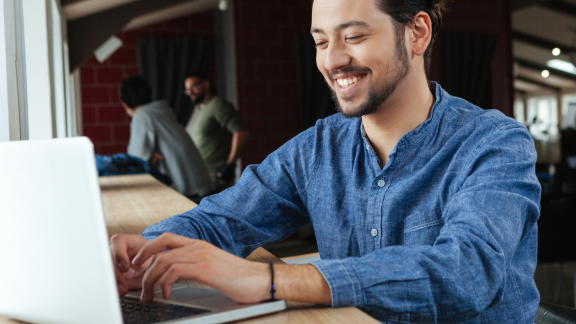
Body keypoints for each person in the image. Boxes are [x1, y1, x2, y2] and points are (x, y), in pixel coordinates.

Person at [111, 0, 541, 322]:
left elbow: (466, 272)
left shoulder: (494, 144)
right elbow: (222, 220)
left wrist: (270, 281)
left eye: (353, 37)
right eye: (320, 41)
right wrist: (145, 254)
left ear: (417, 33)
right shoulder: (318, 148)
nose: (332, 59)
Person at [121, 76, 213, 201]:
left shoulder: (142, 115)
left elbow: (135, 162)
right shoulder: (161, 111)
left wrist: (146, 159)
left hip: (188, 195)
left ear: (125, 105)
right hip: (201, 187)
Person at [183, 72, 249, 189]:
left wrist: (229, 165)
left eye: (193, 86)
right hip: (201, 176)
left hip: (217, 178)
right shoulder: (200, 108)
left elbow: (240, 132)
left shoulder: (218, 105)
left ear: (206, 84)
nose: (190, 92)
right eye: (187, 89)